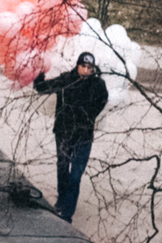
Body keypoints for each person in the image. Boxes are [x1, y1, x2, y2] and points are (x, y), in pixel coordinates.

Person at [32, 50, 108, 223]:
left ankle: (67, 213)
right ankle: (62, 200)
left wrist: (90, 116)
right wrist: (39, 72)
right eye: (84, 66)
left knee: (75, 175)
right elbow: (42, 88)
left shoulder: (98, 84)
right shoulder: (66, 79)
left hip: (84, 135)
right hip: (64, 132)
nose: (86, 70)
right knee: (62, 167)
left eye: (90, 67)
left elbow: (103, 100)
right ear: (78, 65)